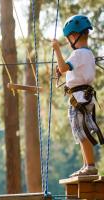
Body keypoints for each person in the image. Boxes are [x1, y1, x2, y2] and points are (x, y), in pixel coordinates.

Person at [52, 15, 103, 177]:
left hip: (79, 98)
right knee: (83, 132)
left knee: (81, 132)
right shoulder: (88, 54)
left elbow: (63, 66)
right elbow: (70, 70)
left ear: (74, 36)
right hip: (86, 97)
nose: (68, 42)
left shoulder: (78, 54)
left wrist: (57, 50)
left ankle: (90, 165)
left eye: (68, 39)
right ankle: (87, 165)